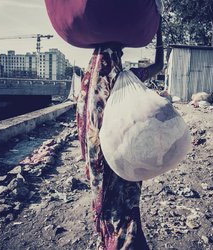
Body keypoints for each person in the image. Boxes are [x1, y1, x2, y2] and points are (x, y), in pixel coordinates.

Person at [76, 17, 163, 250]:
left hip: (96, 164)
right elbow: (159, 66)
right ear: (116, 57)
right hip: (119, 159)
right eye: (119, 54)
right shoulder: (126, 78)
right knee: (125, 210)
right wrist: (159, 30)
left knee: (106, 208)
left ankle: (112, 242)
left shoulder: (86, 85)